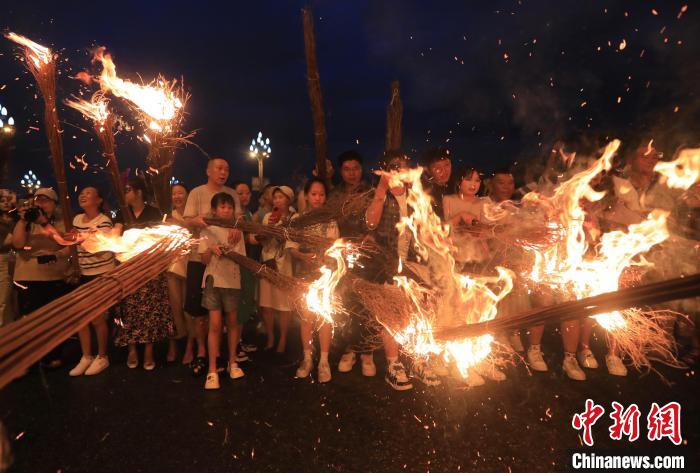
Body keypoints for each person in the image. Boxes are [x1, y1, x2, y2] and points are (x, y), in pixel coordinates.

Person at [363, 150, 440, 390]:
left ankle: (418, 360)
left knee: (421, 312)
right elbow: (370, 223)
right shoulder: (377, 194)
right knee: (393, 314)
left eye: (402, 166)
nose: (398, 170)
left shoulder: (416, 195)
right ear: (385, 170)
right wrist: (381, 190)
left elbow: (428, 228)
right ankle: (394, 364)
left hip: (416, 263)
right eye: (393, 166)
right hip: (387, 264)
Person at [183, 157, 242, 376]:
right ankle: (202, 352)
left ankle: (225, 355)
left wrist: (237, 226)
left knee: (226, 313)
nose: (223, 172)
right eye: (218, 168)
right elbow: (187, 221)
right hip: (201, 257)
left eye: (227, 168)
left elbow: (239, 218)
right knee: (200, 311)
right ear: (208, 171)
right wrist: (198, 221)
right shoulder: (197, 193)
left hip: (227, 262)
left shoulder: (232, 194)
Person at [113, 178, 175, 370]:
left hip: (150, 269)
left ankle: (148, 349)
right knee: (129, 309)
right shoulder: (122, 213)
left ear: (139, 192)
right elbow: (115, 236)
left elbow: (162, 240)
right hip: (128, 268)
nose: (125, 193)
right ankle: (132, 348)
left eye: (128, 189)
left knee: (150, 308)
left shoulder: (154, 212)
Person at [12, 188, 73, 368]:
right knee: (29, 319)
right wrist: (23, 221)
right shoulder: (26, 221)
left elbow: (66, 244)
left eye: (45, 200)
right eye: (37, 200)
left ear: (54, 204)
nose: (39, 204)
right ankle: (30, 357)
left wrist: (44, 222)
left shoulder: (62, 221)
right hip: (28, 274)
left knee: (54, 319)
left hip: (54, 275)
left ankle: (53, 354)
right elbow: (18, 244)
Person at [290, 178, 339, 383]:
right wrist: (303, 256)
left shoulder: (331, 220)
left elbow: (335, 247)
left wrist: (326, 257)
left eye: (321, 194)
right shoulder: (298, 218)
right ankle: (307, 357)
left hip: (325, 275)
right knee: (306, 317)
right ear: (307, 195)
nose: (318, 198)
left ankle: (324, 361)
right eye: (314, 194)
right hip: (303, 274)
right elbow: (291, 247)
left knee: (325, 316)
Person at [201, 192, 247, 390]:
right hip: (212, 281)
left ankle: (233, 362)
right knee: (215, 325)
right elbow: (203, 259)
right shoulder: (207, 230)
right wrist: (211, 249)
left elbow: (242, 258)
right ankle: (212, 370)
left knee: (233, 322)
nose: (226, 210)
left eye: (229, 207)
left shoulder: (238, 230)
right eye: (222, 207)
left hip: (232, 281)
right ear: (214, 210)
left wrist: (230, 249)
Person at [68, 186, 114, 376]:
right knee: (81, 316)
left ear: (99, 200)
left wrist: (79, 237)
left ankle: (102, 356)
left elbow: (98, 246)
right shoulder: (77, 219)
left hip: (101, 273)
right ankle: (86, 356)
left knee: (97, 317)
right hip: (83, 272)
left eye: (88, 193)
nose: (82, 195)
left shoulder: (104, 221)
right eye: (81, 193)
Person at [251, 186, 296, 353]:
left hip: (285, 264)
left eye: (281, 197)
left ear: (289, 199)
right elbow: (262, 240)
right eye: (275, 197)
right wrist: (268, 229)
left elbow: (293, 240)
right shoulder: (269, 216)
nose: (277, 200)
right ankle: (270, 336)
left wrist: (282, 229)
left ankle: (283, 338)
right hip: (268, 263)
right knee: (267, 304)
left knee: (284, 304)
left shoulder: (294, 217)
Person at [166, 183, 197, 365]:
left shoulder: (193, 215)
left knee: (189, 308)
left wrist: (180, 223)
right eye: (174, 194)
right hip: (172, 266)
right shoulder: (167, 216)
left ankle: (191, 345)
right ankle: (176, 341)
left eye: (180, 193)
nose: (177, 196)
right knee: (174, 307)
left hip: (191, 264)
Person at [443, 168, 490, 272]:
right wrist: (461, 216)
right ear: (458, 181)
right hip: (455, 255)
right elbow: (446, 229)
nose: (473, 184)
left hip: (479, 256)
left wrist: (477, 229)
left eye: (477, 180)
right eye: (468, 179)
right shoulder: (448, 200)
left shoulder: (484, 202)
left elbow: (486, 231)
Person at [234, 181, 259, 358]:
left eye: (247, 193)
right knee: (236, 304)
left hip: (248, 263)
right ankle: (233, 345)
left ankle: (238, 341)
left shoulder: (248, 214)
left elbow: (251, 239)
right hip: (236, 265)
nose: (244, 196)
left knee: (245, 303)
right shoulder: (232, 216)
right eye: (240, 193)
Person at [420, 146, 454, 220]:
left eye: (446, 165)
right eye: (437, 167)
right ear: (428, 171)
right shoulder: (425, 194)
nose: (443, 171)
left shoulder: (456, 186)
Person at [0, 189, 17, 327]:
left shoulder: (12, 218)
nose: (6, 203)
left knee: (6, 298)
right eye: (2, 201)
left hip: (6, 258)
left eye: (7, 200)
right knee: (3, 299)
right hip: (3, 257)